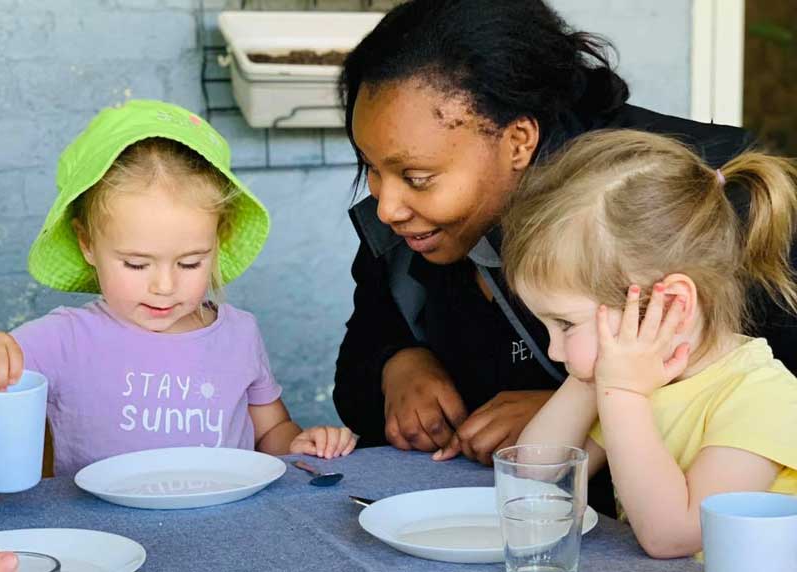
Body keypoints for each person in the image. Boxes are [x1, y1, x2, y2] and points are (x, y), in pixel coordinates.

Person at [331, 0, 796, 516]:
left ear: (518, 140)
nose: (387, 205)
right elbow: (356, 374)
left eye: (418, 178)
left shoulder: (680, 206)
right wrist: (398, 361)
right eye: (369, 167)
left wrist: (592, 405)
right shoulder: (409, 224)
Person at [0, 100, 356, 477]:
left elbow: (271, 430)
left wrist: (299, 443)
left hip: (223, 528)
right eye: (136, 264)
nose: (164, 286)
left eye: (190, 262)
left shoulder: (239, 333)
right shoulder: (62, 338)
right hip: (105, 533)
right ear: (87, 243)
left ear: (219, 240)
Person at [495, 129, 797, 557]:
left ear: (671, 304)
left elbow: (673, 536)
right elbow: (533, 476)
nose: (554, 351)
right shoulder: (636, 380)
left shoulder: (762, 398)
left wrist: (620, 394)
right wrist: (588, 379)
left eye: (565, 324)